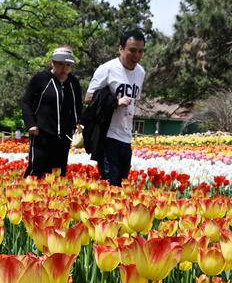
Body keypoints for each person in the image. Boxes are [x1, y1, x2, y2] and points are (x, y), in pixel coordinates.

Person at [85, 30, 146, 186]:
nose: (136, 55)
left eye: (140, 51)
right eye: (132, 50)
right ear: (121, 49)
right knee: (110, 185)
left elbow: (134, 101)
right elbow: (88, 98)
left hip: (126, 136)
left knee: (122, 183)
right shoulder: (107, 69)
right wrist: (114, 102)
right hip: (107, 134)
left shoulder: (140, 72)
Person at [21, 46, 83, 177]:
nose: (64, 68)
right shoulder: (41, 79)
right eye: (60, 64)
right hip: (42, 133)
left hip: (64, 135)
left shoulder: (73, 82)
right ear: (53, 63)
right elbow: (26, 102)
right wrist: (31, 123)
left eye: (68, 65)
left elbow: (77, 104)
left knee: (58, 173)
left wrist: (78, 123)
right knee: (36, 170)